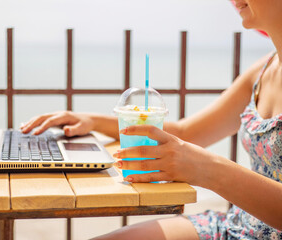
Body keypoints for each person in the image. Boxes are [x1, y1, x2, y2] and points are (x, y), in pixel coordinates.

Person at [21, 0, 282, 238]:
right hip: (239, 226)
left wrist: (208, 170)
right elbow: (187, 133)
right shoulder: (263, 70)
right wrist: (92, 121)